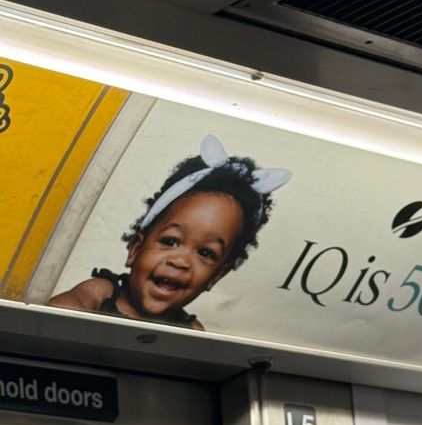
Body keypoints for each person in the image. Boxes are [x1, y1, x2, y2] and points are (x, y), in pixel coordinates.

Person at [49, 134, 291, 330]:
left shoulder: (191, 331)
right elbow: (62, 310)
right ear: (135, 249)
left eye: (206, 253)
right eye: (171, 241)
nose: (181, 261)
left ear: (216, 277)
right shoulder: (101, 293)